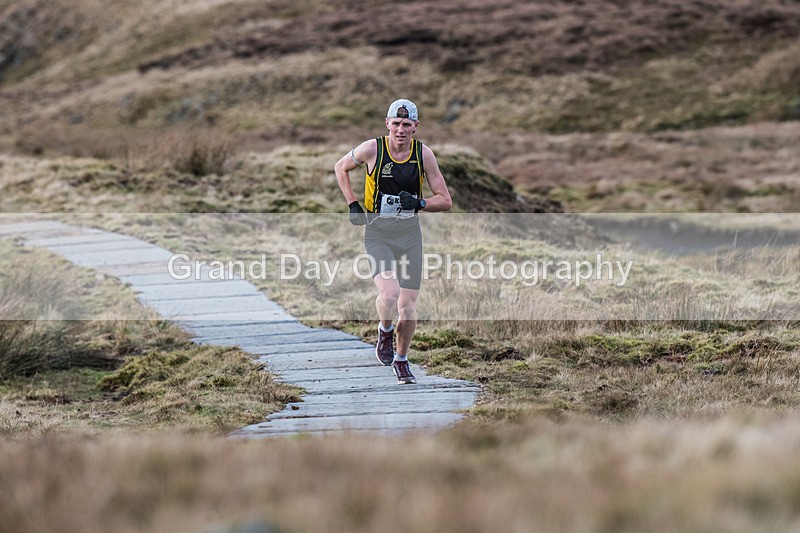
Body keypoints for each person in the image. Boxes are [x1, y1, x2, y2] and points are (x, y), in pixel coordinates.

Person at [334, 98, 452, 384]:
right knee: (389, 294)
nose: (401, 130)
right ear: (387, 123)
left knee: (408, 306)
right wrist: (352, 204)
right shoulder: (372, 148)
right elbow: (340, 167)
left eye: (406, 125)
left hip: (410, 234)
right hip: (378, 233)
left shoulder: (424, 155)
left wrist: (420, 202)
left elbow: (445, 200)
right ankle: (384, 329)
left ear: (415, 127)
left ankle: (401, 360)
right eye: (396, 123)